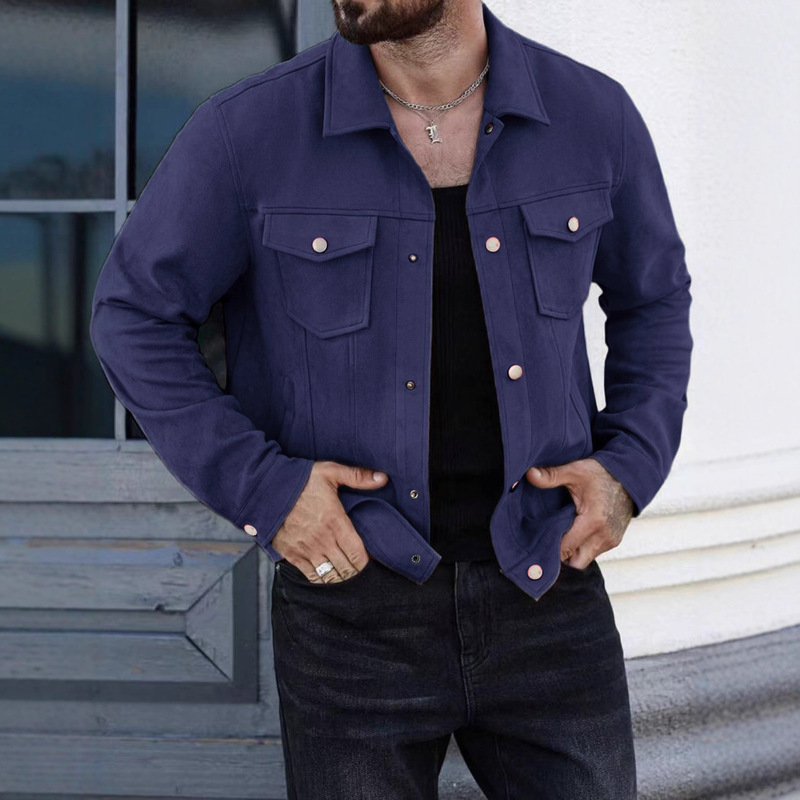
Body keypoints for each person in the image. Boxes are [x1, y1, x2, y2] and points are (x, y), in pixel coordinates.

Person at [89, 0, 693, 796]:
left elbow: (654, 301)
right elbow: (133, 317)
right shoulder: (249, 131)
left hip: (548, 588)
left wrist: (630, 469)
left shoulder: (591, 115)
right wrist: (268, 491)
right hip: (350, 611)